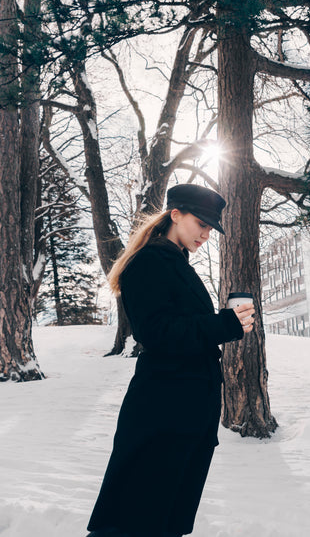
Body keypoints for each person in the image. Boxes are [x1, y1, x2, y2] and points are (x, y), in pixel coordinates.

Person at [86, 183, 256, 537]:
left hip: (186, 412)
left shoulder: (175, 263)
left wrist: (225, 324)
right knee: (136, 518)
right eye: (201, 224)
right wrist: (225, 324)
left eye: (211, 228)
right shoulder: (149, 261)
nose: (206, 234)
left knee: (162, 519)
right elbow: (156, 333)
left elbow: (182, 327)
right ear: (175, 214)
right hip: (163, 411)